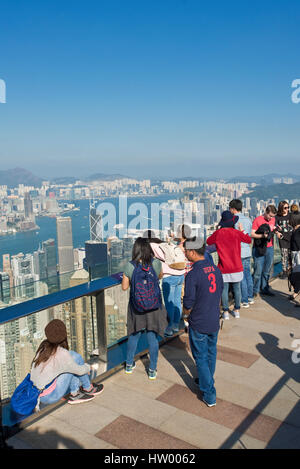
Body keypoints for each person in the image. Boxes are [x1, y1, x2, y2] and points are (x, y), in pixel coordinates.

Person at [182, 237, 223, 407]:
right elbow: (220, 293)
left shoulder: (193, 274)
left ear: (192, 252)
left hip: (199, 321)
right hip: (214, 318)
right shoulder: (215, 269)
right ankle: (207, 380)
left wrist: (185, 314)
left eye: (185, 251)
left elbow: (189, 303)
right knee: (211, 352)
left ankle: (209, 393)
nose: (184, 254)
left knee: (200, 356)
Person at [122, 237, 168, 380]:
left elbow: (124, 287)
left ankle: (129, 365)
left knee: (134, 335)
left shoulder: (130, 266)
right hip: (154, 306)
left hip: (137, 307)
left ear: (135, 250)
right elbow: (160, 277)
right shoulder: (156, 263)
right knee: (152, 338)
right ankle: (152, 370)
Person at [30, 319, 103, 407]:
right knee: (76, 357)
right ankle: (83, 390)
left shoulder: (43, 347)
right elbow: (79, 371)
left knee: (71, 360)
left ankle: (82, 389)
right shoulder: (62, 354)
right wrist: (88, 367)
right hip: (51, 396)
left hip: (37, 394)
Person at [206, 210, 252, 320]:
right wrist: (242, 230)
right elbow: (248, 240)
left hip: (223, 267)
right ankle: (236, 310)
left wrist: (217, 230)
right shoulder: (236, 233)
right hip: (236, 266)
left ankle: (225, 311)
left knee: (224, 290)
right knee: (237, 289)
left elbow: (208, 241)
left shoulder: (219, 233)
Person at [150, 234, 186, 337]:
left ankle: (169, 328)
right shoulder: (166, 244)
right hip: (180, 275)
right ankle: (175, 325)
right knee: (177, 301)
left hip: (169, 277)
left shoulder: (152, 245)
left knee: (169, 303)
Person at [229, 199, 254, 308]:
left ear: (233, 209)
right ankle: (250, 297)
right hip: (247, 250)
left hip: (238, 252)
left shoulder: (234, 220)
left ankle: (244, 300)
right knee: (248, 274)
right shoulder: (248, 219)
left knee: (241, 276)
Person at [252, 205, 277, 297]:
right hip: (259, 248)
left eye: (272, 216)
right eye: (270, 216)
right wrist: (263, 236)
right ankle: (254, 290)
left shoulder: (273, 220)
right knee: (258, 271)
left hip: (270, 247)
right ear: (265, 212)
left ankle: (265, 288)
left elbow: (272, 229)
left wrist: (276, 231)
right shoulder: (257, 220)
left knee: (267, 270)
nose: (271, 218)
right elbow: (252, 234)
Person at [275, 201, 293, 279]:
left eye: (288, 207)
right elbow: (273, 227)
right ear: (281, 208)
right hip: (282, 239)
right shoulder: (277, 217)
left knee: (291, 256)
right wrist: (277, 232)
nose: (287, 209)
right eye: (285, 208)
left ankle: (291, 271)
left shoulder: (291, 216)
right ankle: (284, 271)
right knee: (284, 255)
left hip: (292, 239)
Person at [289, 213, 300, 306]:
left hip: (298, 255)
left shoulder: (297, 232)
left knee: (296, 277)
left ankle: (296, 292)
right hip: (296, 255)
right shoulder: (296, 231)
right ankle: (296, 292)